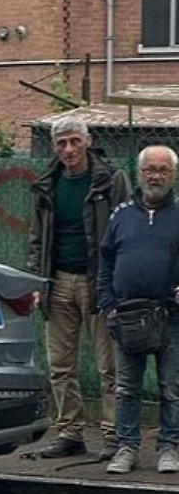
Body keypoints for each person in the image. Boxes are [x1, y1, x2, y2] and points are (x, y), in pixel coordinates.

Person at [26, 116, 130, 460]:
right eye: (61, 143)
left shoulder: (111, 179)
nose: (68, 149)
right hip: (57, 281)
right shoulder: (48, 183)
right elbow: (37, 237)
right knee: (60, 365)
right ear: (54, 148)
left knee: (109, 365)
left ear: (88, 141)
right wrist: (37, 280)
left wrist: (118, 282)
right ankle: (70, 433)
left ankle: (114, 434)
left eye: (74, 141)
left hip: (99, 282)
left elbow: (126, 230)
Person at [96, 145, 179, 475]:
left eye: (163, 170)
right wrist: (108, 306)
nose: (155, 176)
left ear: (173, 175)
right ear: (139, 173)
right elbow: (105, 261)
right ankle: (126, 447)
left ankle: (169, 447)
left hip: (171, 317)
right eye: (150, 169)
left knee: (171, 388)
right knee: (126, 389)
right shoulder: (121, 215)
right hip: (127, 317)